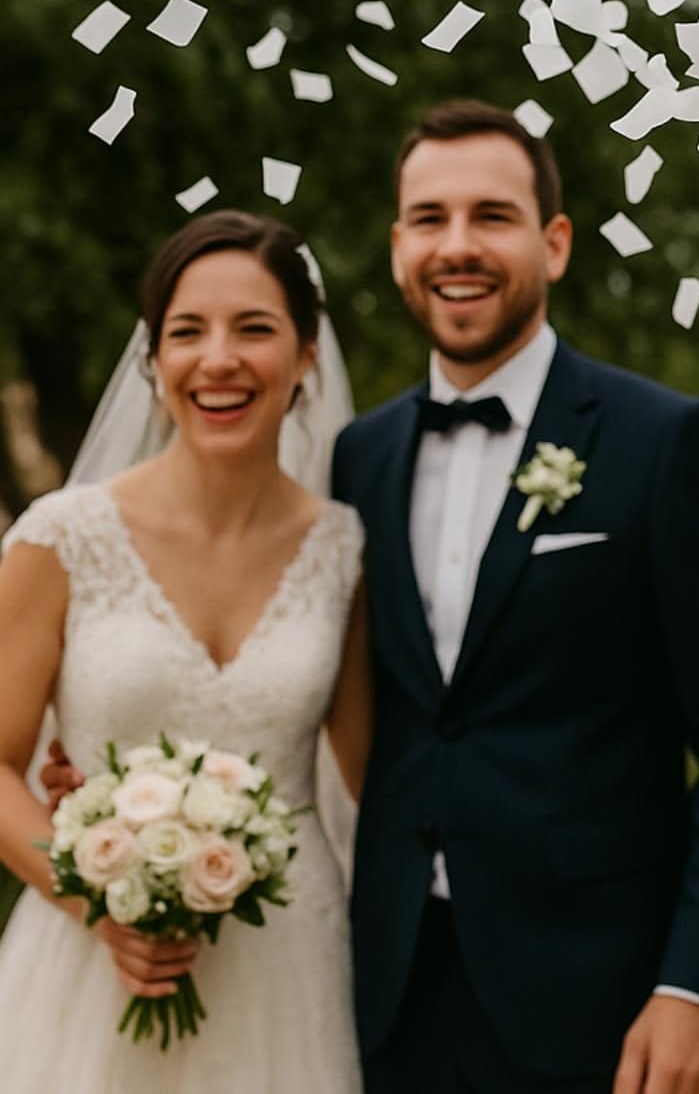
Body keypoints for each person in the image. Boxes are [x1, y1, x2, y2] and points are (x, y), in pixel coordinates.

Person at [335, 99, 699, 1094]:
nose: (457, 246)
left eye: (491, 216)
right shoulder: (356, 458)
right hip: (392, 993)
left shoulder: (665, 441)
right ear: (398, 246)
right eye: (429, 218)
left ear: (554, 243)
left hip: (601, 997)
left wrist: (698, 985)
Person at [0, 211, 370, 1091]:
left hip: (292, 961)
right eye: (188, 331)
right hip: (95, 965)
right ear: (153, 358)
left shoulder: (346, 551)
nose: (218, 359)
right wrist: (97, 901)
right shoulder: (61, 539)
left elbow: (381, 780)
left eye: (254, 329)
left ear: (305, 356)